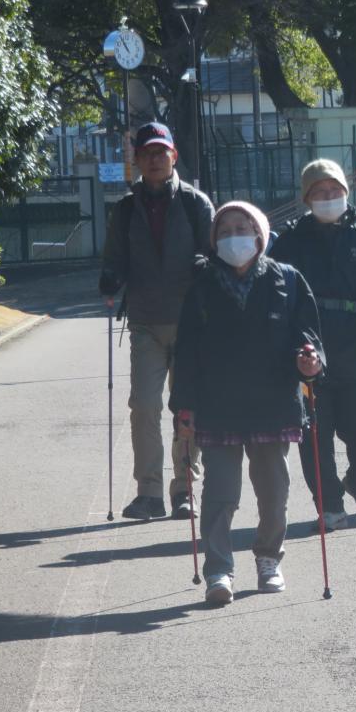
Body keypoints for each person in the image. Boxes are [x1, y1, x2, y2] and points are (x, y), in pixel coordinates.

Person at [169, 201, 324, 605]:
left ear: (260, 235)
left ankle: (269, 559)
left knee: (274, 491)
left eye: (242, 227)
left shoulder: (288, 280)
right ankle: (218, 571)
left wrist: (310, 362)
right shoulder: (201, 286)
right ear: (214, 240)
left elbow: (309, 338)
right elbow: (185, 352)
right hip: (217, 406)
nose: (233, 236)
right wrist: (183, 409)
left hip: (272, 404)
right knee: (220, 493)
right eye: (224, 230)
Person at [271, 159, 356, 530]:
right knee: (315, 437)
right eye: (319, 193)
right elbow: (274, 295)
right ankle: (329, 503)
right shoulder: (289, 242)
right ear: (307, 198)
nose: (328, 198)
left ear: (345, 194)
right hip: (309, 354)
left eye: (334, 192)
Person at [99, 122, 214, 521]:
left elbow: (217, 255)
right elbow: (113, 258)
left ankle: (185, 489)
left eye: (160, 152)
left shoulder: (197, 203)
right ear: (136, 160)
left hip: (191, 323)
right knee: (144, 406)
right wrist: (111, 277)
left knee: (187, 408)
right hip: (146, 321)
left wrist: (207, 263)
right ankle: (148, 492)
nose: (153, 159)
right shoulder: (125, 209)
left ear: (173, 156)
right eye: (146, 152)